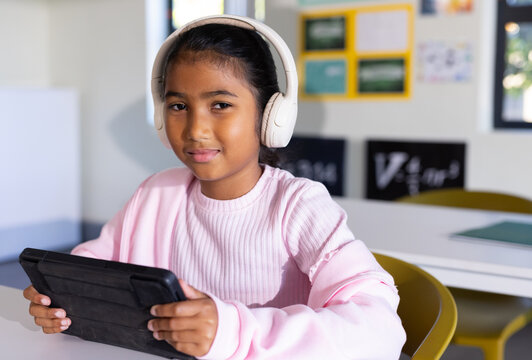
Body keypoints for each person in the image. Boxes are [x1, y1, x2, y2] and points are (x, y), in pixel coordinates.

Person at [23, 15, 406, 359]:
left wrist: (232, 332)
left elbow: (379, 330)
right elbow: (91, 269)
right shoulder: (156, 193)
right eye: (178, 106)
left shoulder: (297, 206)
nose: (195, 130)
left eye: (220, 104)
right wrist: (59, 299)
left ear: (271, 115)